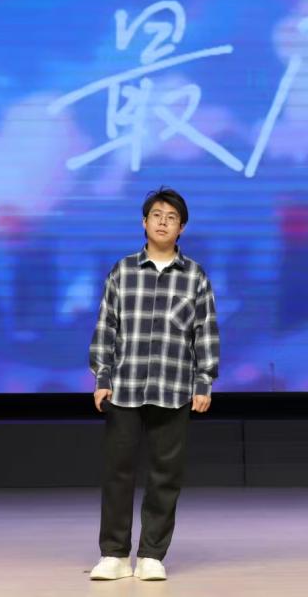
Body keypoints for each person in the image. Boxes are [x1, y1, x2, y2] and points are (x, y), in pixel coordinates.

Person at [87, 187, 219, 582]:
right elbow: (106, 326)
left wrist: (204, 381)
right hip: (124, 387)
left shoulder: (194, 276)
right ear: (144, 222)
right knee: (118, 473)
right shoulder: (123, 270)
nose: (163, 222)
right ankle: (113, 554)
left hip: (173, 387)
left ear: (182, 228)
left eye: (172, 217)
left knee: (165, 474)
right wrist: (102, 376)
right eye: (157, 215)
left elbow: (205, 331)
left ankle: (151, 555)